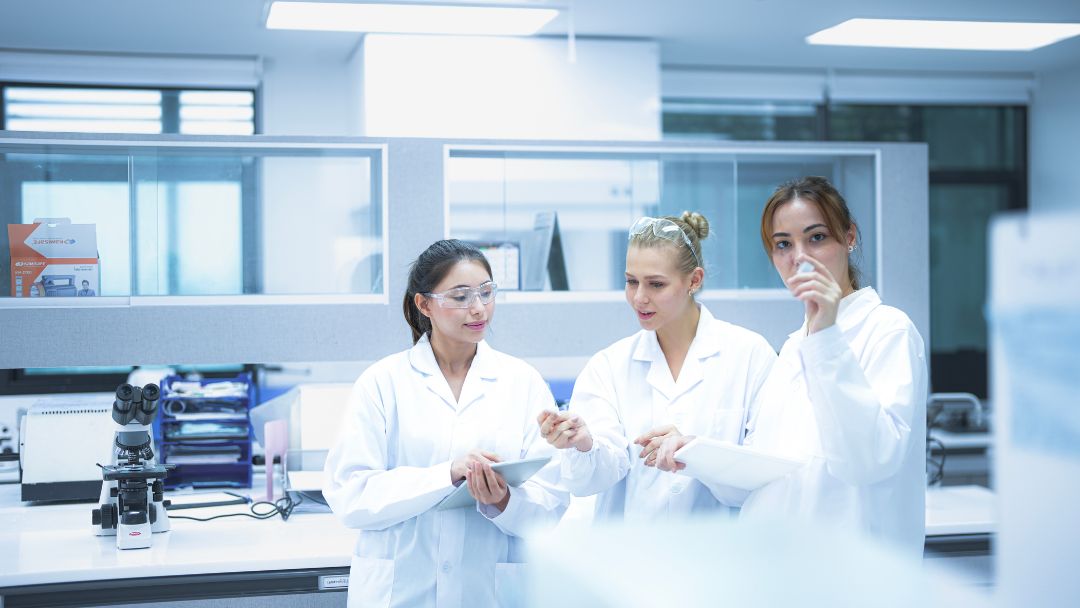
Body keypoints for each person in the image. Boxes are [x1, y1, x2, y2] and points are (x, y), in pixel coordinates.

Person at [655, 176, 928, 556]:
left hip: (852, 576)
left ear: (849, 238)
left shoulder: (888, 331)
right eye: (783, 244)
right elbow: (762, 479)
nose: (799, 256)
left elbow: (866, 462)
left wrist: (827, 337)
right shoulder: (791, 348)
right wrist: (696, 452)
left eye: (816, 237)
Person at [323, 239, 569, 608]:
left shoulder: (523, 381)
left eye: (486, 293)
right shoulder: (383, 382)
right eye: (460, 296)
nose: (478, 308)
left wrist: (503, 501)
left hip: (489, 593)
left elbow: (551, 503)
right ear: (424, 304)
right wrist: (448, 475)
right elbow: (351, 496)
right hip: (403, 593)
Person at [537, 212, 777, 520]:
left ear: (695, 280)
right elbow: (586, 482)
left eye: (656, 285)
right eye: (631, 281)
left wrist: (694, 452)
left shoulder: (749, 355)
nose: (639, 298)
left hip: (719, 555)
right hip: (632, 558)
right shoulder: (609, 366)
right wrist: (584, 444)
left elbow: (762, 479)